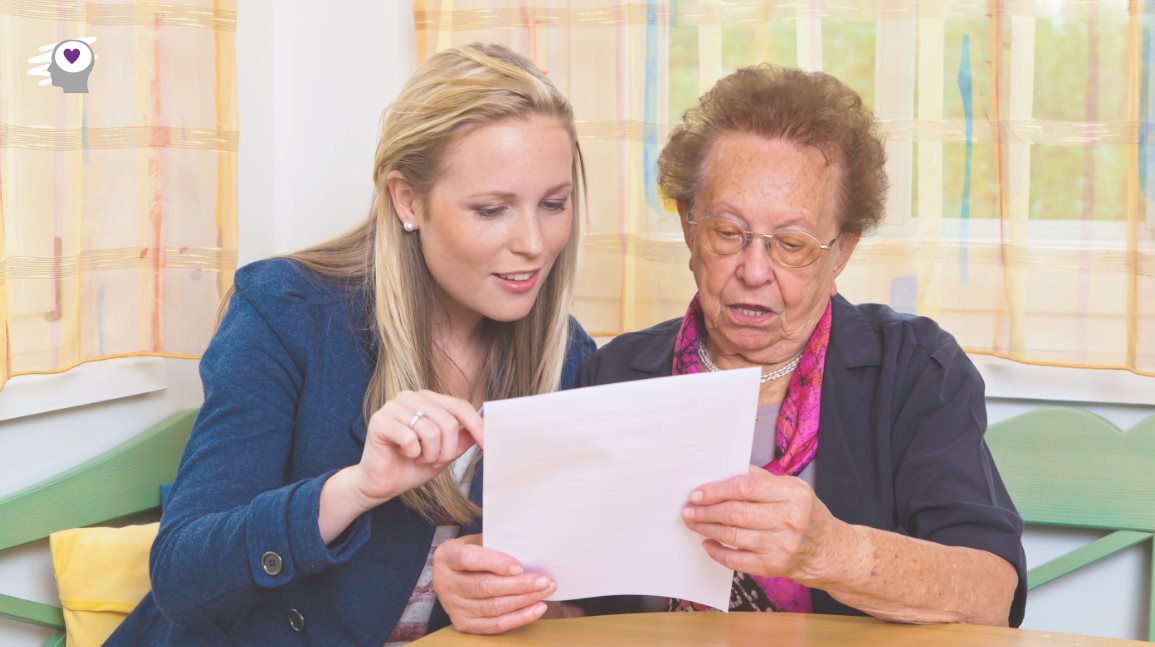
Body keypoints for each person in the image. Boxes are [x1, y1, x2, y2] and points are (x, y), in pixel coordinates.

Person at [431, 64, 1027, 633]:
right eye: (727, 232)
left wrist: (832, 551)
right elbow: (579, 613)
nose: (753, 270)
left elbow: (992, 595)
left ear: (841, 250)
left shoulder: (914, 367)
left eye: (791, 244)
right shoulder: (614, 374)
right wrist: (501, 597)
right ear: (690, 228)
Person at [106, 43, 596, 646]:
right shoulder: (286, 312)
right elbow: (181, 576)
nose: (534, 243)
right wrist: (355, 489)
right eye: (492, 209)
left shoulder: (567, 353)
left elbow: (575, 583)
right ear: (407, 200)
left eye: (554, 204)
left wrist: (510, 597)